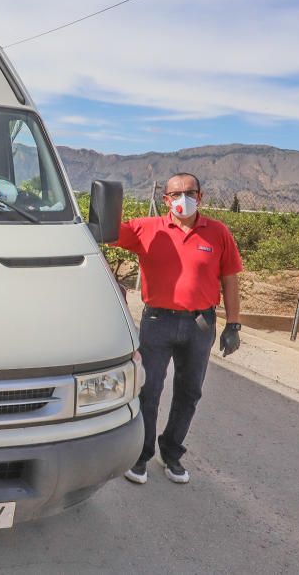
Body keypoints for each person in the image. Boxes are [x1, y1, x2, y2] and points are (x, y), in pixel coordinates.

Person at [114, 173, 243, 485]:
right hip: (158, 321)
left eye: (189, 192)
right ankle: (141, 456)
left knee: (189, 392)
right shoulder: (147, 228)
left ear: (201, 196)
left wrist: (233, 324)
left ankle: (171, 453)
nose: (181, 199)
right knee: (150, 389)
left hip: (200, 324)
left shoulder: (218, 233)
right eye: (175, 194)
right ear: (165, 199)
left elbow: (230, 280)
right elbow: (103, 233)